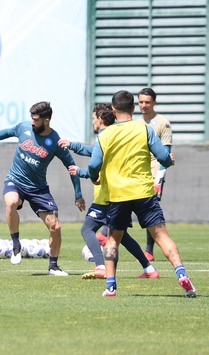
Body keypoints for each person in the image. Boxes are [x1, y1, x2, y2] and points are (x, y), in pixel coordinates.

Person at [87, 90, 196, 297]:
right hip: (144, 192)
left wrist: (94, 176)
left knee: (112, 240)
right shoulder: (144, 129)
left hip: (118, 195)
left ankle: (111, 285)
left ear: (113, 109)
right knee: (162, 236)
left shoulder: (105, 134)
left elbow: (93, 164)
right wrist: (168, 160)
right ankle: (181, 273)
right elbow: (163, 157)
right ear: (134, 108)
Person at [0, 101, 86, 276]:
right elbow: (8, 132)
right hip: (15, 180)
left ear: (46, 121)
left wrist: (78, 194)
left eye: (36, 120)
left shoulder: (55, 141)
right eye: (31, 119)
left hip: (38, 189)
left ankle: (53, 266)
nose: (32, 123)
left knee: (55, 226)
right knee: (11, 202)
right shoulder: (24, 127)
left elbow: (71, 166)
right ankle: (16, 245)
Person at [59, 103, 158, 280]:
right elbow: (93, 151)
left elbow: (95, 161)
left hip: (109, 196)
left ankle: (101, 266)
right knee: (122, 236)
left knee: (87, 229)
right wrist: (72, 145)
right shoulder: (114, 134)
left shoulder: (106, 136)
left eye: (93, 118)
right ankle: (149, 269)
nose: (92, 122)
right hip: (121, 194)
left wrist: (80, 171)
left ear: (100, 119)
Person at [137, 88, 172, 262]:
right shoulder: (136, 123)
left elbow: (166, 154)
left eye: (147, 102)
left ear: (154, 102)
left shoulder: (162, 123)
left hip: (154, 174)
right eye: (141, 102)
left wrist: (159, 178)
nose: (144, 105)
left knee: (150, 210)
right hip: (137, 173)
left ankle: (149, 251)